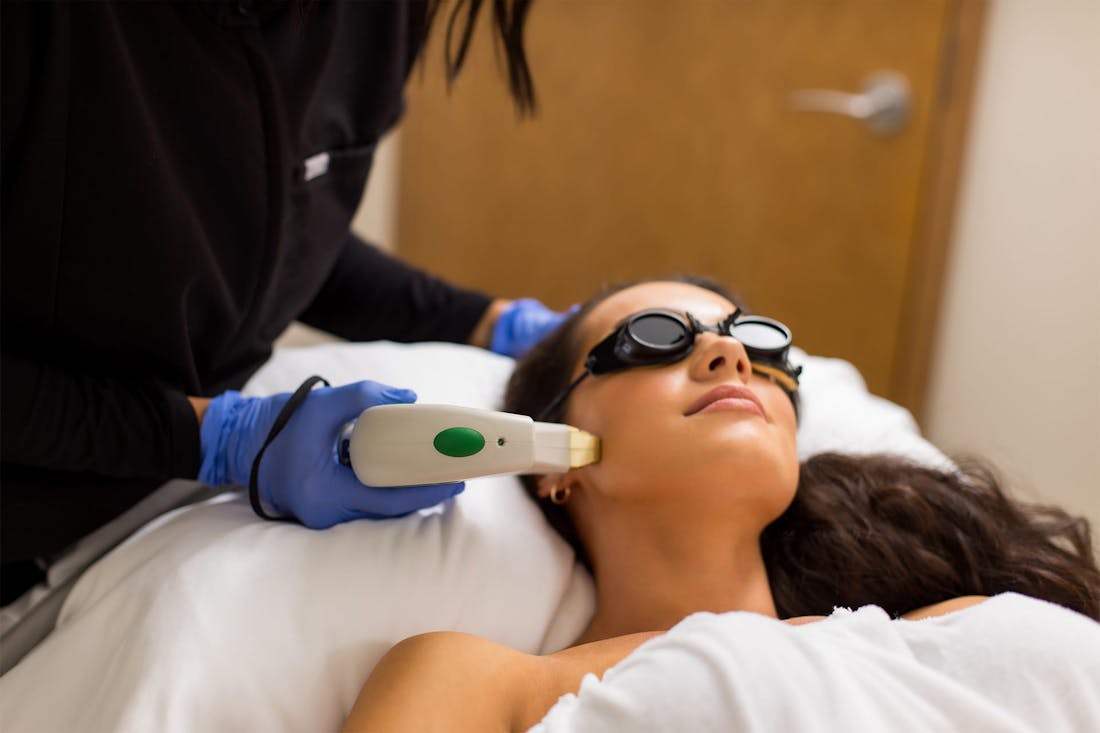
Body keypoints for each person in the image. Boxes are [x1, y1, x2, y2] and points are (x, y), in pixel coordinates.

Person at [341, 276, 1100, 731]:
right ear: (554, 461)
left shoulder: (956, 624)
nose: (729, 354)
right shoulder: (483, 683)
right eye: (654, 338)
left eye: (761, 348)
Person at [0, 0, 549, 603]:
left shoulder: (373, 18)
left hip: (156, 506)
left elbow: (281, 237)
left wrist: (485, 321)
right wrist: (207, 437)